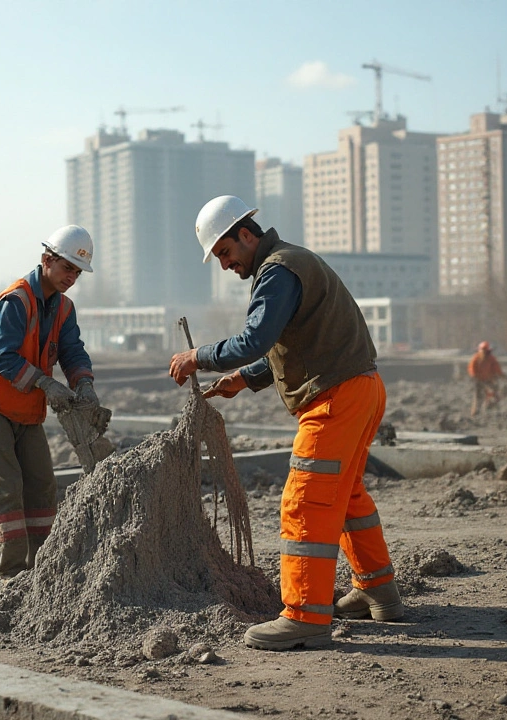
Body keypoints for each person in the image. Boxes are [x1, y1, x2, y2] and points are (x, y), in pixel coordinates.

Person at [169, 195, 403, 652]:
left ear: (246, 234)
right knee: (347, 494)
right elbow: (291, 344)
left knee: (305, 501)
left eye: (225, 252)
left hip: (336, 398)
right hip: (361, 388)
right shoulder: (290, 262)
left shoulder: (277, 271)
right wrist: (244, 379)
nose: (224, 265)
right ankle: (379, 590)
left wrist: (199, 357)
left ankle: (304, 617)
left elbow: (256, 338)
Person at [0, 226, 98, 579]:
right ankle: (12, 574)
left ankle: (42, 570)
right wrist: (44, 382)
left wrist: (84, 384)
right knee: (7, 489)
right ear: (46, 261)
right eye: (67, 267)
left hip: (27, 409)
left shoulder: (64, 309)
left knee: (41, 485)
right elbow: (3, 358)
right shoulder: (17, 300)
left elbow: (72, 352)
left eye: (77, 271)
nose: (72, 276)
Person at [468, 341, 504, 417]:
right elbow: (472, 368)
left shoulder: (491, 359)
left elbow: (496, 368)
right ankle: (475, 412)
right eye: (483, 351)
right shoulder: (476, 358)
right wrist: (474, 376)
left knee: (495, 393)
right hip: (479, 380)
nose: (484, 353)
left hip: (489, 379)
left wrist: (500, 375)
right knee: (478, 396)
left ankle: (492, 408)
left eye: (486, 351)